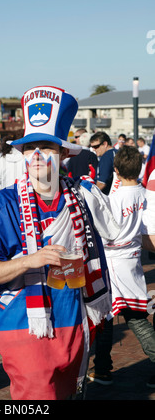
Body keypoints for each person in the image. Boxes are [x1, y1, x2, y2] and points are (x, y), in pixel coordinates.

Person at [0, 85, 120, 400]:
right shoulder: (4, 204)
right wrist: (28, 260)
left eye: (46, 147)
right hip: (24, 326)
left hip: (75, 324)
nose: (36, 155)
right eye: (29, 147)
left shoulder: (83, 197)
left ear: (61, 154)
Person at [87, 146, 155, 387]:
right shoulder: (145, 195)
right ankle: (102, 368)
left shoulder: (114, 200)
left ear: (115, 170)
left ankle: (103, 369)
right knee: (113, 315)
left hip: (114, 261)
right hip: (134, 258)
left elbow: (105, 233)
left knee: (129, 317)